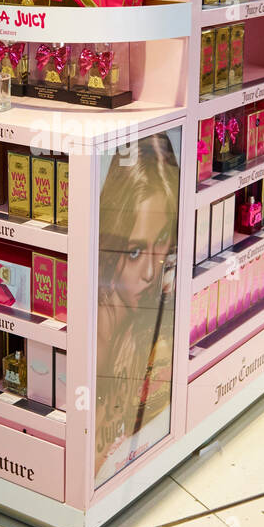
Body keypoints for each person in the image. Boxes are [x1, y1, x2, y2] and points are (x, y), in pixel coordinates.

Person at [94, 132, 180, 484]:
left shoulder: (150, 322)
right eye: (133, 251)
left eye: (160, 242)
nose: (149, 271)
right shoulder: (97, 332)